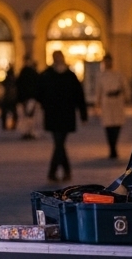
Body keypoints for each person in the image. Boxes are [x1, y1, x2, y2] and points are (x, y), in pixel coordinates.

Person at [37, 50, 87, 182]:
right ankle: (63, 172)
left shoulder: (70, 76)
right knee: (59, 143)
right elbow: (39, 92)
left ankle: (55, 172)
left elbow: (79, 95)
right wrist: (45, 104)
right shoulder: (47, 74)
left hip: (66, 114)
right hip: (53, 114)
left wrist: (83, 114)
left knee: (59, 143)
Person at [96, 55, 128, 160]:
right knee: (108, 125)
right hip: (107, 101)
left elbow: (125, 86)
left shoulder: (118, 74)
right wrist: (97, 103)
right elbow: (98, 90)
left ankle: (114, 145)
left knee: (117, 124)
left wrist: (126, 97)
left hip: (117, 101)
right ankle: (112, 147)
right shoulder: (101, 75)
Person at [17, 56, 40, 140]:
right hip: (31, 97)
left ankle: (27, 132)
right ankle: (30, 132)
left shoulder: (23, 73)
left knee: (26, 117)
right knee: (31, 117)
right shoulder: (33, 73)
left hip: (26, 98)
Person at [1, 66, 19, 131]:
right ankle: (12, 125)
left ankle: (8, 125)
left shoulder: (9, 80)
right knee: (12, 113)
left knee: (8, 113)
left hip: (9, 98)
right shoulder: (13, 80)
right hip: (11, 98)